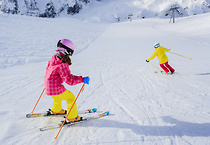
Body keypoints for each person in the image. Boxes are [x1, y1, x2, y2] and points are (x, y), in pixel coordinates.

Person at [44, 39, 90, 123]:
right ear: (67, 51)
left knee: (57, 97)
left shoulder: (54, 58)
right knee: (71, 98)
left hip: (48, 87)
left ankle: (56, 110)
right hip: (55, 87)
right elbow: (69, 80)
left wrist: (48, 82)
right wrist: (82, 79)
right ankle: (72, 117)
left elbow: (48, 70)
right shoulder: (63, 64)